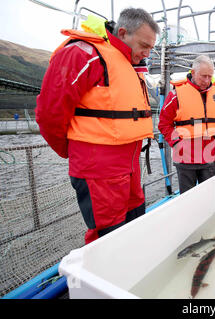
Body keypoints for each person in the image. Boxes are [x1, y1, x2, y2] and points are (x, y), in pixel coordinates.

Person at [35, 8, 160, 244]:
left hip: (130, 167)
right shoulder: (82, 53)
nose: (147, 53)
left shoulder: (129, 62)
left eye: (151, 47)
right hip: (99, 170)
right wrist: (74, 152)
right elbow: (49, 113)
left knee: (135, 225)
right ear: (123, 33)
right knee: (108, 238)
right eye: (144, 45)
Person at [158, 55, 215, 194]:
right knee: (188, 198)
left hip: (209, 158)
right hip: (185, 159)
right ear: (193, 73)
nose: (207, 81)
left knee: (208, 196)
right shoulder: (176, 95)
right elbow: (164, 124)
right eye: (203, 76)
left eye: (210, 76)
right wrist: (176, 143)